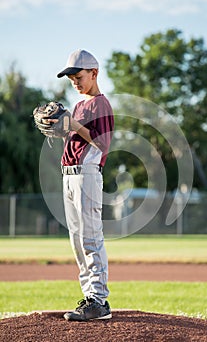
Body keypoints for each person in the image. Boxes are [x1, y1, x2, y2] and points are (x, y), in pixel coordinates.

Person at [57, 49, 114, 321]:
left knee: (90, 236)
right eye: (71, 79)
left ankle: (99, 300)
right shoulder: (79, 105)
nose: (76, 83)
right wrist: (59, 127)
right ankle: (89, 297)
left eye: (79, 77)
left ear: (94, 73)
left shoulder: (100, 103)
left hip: (88, 173)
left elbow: (102, 144)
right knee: (77, 240)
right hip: (69, 174)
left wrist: (73, 124)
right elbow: (76, 138)